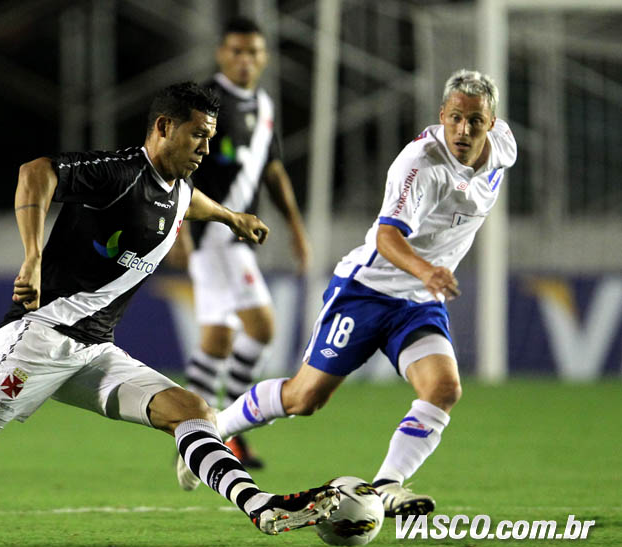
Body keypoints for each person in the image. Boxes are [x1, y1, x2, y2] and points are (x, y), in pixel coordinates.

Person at [0, 82, 341, 547]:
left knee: (191, 410)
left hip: (93, 350)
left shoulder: (178, 189)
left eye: (210, 136)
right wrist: (32, 256)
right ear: (163, 127)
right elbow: (35, 172)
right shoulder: (120, 173)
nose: (206, 146)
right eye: (198, 134)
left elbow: (191, 202)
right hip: (39, 336)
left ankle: (262, 508)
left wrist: (231, 218)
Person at [177, 69, 518, 517]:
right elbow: (387, 238)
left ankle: (388, 486)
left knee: (443, 388)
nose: (463, 130)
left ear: (492, 124)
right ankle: (212, 431)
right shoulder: (419, 165)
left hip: (418, 303)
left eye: (474, 121)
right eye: (455, 118)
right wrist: (428, 271)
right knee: (304, 398)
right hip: (366, 291)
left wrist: (426, 280)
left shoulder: (504, 148)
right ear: (442, 116)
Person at [170, 17, 310, 471]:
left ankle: (193, 436)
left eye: (253, 52)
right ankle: (229, 432)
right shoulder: (204, 103)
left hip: (235, 236)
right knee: (262, 328)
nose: (245, 60)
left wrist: (296, 228)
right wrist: (177, 228)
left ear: (264, 57)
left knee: (217, 338)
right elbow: (177, 165)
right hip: (214, 233)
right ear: (221, 54)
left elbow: (272, 169)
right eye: (236, 51)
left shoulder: (263, 105)